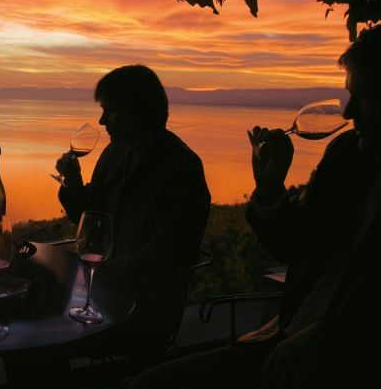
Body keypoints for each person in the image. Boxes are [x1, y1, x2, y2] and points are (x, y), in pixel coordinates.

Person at [132, 26, 381, 388]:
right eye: (349, 96)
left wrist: (330, 337)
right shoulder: (346, 156)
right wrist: (270, 187)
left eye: (364, 97)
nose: (349, 111)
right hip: (284, 340)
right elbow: (294, 245)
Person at [56, 64, 211, 354]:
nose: (102, 121)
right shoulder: (115, 153)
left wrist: (94, 277)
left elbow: (164, 254)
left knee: (35, 343)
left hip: (145, 315)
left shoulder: (182, 168)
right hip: (99, 297)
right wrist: (74, 185)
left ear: (138, 109)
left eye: (110, 110)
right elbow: (88, 219)